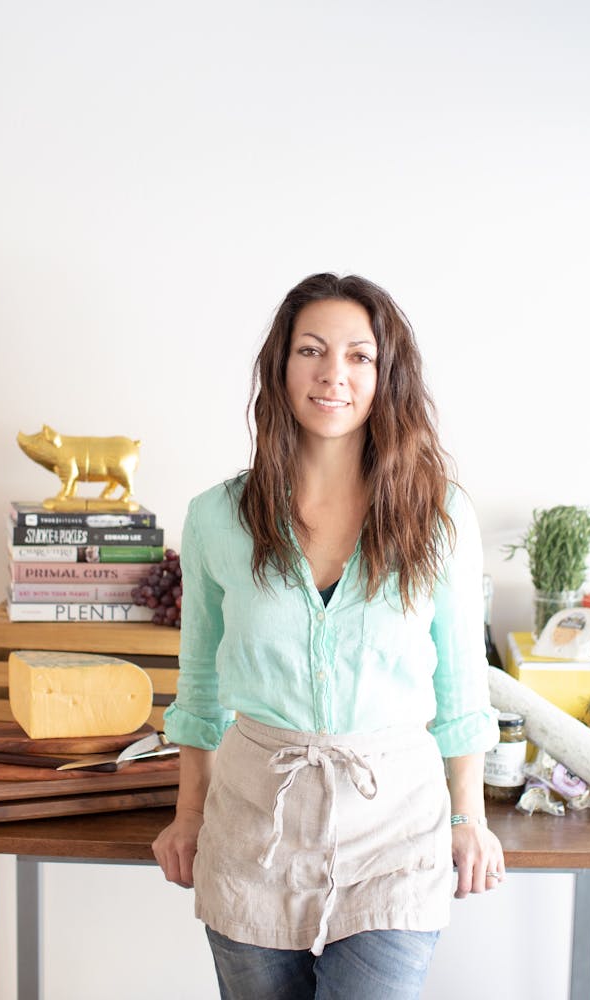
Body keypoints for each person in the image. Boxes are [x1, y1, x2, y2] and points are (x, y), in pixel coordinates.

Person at [152, 272, 505, 1000]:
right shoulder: (218, 517)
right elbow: (202, 683)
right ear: (280, 369)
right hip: (254, 830)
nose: (332, 374)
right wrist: (189, 814)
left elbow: (461, 680)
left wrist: (467, 815)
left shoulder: (438, 517)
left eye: (358, 356)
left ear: (387, 374)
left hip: (396, 830)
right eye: (311, 350)